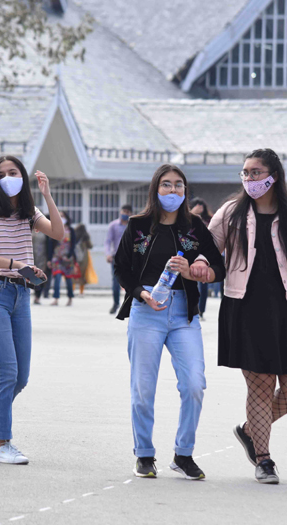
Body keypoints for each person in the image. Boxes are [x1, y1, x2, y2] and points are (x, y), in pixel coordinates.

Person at [209, 149, 287, 484]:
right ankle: (263, 459)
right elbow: (205, 251)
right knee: (262, 386)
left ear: (273, 176)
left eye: (256, 172)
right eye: (245, 173)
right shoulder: (230, 213)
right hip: (244, 309)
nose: (250, 179)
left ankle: (251, 429)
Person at [115, 164, 226, 481]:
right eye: (166, 185)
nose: (173, 191)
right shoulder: (138, 226)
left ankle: (184, 453)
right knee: (142, 388)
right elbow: (122, 268)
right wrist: (140, 293)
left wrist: (197, 267)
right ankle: (145, 454)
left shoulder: (195, 228)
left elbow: (218, 267)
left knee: (194, 384)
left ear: (185, 191)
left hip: (183, 314)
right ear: (155, 189)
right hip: (146, 311)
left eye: (179, 185)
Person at [0, 156, 64, 465]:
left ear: (22, 177)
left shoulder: (28, 212)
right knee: (7, 371)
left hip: (20, 296)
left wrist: (47, 194)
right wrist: (17, 264)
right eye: (2, 174)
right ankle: (3, 444)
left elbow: (58, 233)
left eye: (13, 172)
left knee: (21, 377)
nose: (8, 177)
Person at [46, 211, 77, 306]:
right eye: (59, 216)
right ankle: (56, 298)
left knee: (68, 280)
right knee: (57, 278)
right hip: (56, 257)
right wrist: (49, 259)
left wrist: (70, 257)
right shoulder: (54, 229)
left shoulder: (71, 230)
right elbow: (50, 245)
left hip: (67, 258)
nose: (61, 218)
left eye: (62, 216)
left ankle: (70, 298)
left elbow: (73, 245)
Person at [106, 204, 133, 314]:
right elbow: (108, 241)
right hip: (116, 257)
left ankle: (129, 304)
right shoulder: (113, 225)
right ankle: (116, 303)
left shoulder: (133, 225)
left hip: (130, 258)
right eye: (124, 211)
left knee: (131, 282)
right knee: (116, 282)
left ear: (130, 213)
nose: (125, 214)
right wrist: (108, 253)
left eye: (127, 212)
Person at [190, 198, 213, 318]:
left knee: (203, 285)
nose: (199, 207)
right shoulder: (188, 218)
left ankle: (201, 310)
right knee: (191, 284)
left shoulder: (209, 220)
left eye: (201, 205)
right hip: (190, 254)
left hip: (205, 255)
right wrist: (193, 213)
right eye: (196, 205)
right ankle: (192, 308)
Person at [32, 215, 50, 304]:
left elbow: (49, 247)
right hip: (32, 257)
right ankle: (35, 295)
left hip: (43, 257)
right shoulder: (32, 230)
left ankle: (38, 296)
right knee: (32, 277)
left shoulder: (47, 233)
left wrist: (49, 259)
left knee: (41, 277)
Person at [74, 223, 93, 295]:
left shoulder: (74, 235)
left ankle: (72, 290)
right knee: (82, 274)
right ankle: (81, 291)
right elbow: (90, 246)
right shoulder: (85, 237)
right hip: (84, 257)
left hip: (74, 257)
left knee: (74, 273)